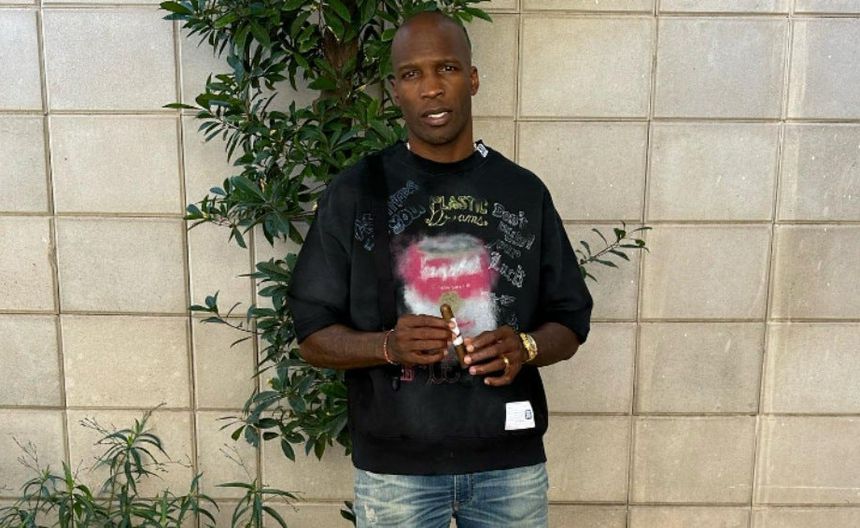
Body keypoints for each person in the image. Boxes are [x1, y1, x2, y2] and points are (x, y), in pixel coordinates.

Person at [287, 10, 593, 528]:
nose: (431, 88)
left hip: (509, 464)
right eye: (412, 74)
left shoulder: (522, 191)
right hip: (396, 473)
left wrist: (525, 347)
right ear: (395, 90)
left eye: (446, 68)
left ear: (472, 78)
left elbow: (570, 319)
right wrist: (387, 346)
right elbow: (312, 335)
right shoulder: (358, 192)